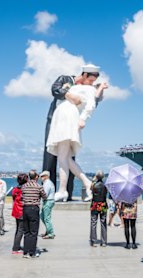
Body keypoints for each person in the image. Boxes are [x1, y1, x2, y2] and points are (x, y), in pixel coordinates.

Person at [46, 65, 108, 202]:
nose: (91, 83)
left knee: (62, 158)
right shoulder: (72, 84)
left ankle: (62, 191)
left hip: (67, 117)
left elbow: (92, 104)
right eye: (90, 80)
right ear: (84, 75)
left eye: (93, 82)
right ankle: (87, 183)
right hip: (62, 117)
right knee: (67, 158)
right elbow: (56, 90)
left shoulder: (89, 89)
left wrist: (83, 119)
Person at [21, 170, 47, 258]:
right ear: (36, 177)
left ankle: (25, 252)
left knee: (26, 232)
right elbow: (44, 196)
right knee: (34, 232)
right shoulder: (39, 186)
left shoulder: (24, 186)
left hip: (25, 208)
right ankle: (32, 252)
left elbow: (22, 197)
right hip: (34, 208)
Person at [89, 170, 108, 247]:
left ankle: (93, 241)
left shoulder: (94, 185)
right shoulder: (105, 185)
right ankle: (104, 241)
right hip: (103, 204)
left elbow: (90, 189)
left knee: (93, 222)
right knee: (103, 223)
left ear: (96, 176)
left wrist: (93, 180)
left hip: (95, 204)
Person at [11, 173, 27, 254]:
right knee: (21, 230)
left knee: (18, 229)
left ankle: (16, 245)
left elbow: (14, 198)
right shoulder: (24, 190)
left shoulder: (15, 189)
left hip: (16, 210)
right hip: (21, 211)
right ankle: (15, 249)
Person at [40, 171, 56, 239]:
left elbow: (45, 194)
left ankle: (51, 233)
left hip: (48, 201)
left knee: (46, 218)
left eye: (42, 176)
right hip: (48, 201)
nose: (41, 178)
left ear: (46, 176)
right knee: (43, 217)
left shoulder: (47, 183)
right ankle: (48, 230)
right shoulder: (46, 183)